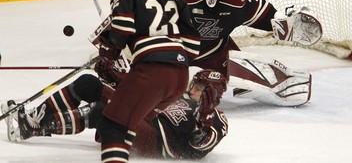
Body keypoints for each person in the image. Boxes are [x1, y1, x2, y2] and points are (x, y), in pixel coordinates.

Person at [88, 0, 201, 162]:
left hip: (151, 72)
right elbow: (193, 48)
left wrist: (108, 53)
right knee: (129, 123)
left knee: (113, 127)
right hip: (179, 77)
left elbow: (122, 28)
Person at [163, 0, 322, 106]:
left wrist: (281, 21)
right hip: (179, 50)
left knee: (241, 77)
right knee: (162, 86)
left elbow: (259, 12)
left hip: (215, 50)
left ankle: (282, 84)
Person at [1, 69, 228, 160]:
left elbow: (199, 147)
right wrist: (120, 79)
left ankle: (34, 128)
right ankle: (35, 117)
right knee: (89, 83)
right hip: (142, 119)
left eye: (200, 88)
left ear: (213, 94)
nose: (193, 89)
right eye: (195, 84)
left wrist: (205, 114)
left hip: (157, 141)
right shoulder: (179, 94)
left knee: (104, 113)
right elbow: (146, 98)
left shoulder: (218, 119)